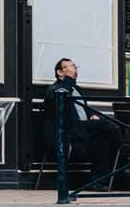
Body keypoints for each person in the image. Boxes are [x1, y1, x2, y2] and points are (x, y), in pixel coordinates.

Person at [34, 56, 117, 195]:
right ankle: (126, 154)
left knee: (102, 142)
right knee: (106, 125)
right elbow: (61, 108)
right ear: (60, 72)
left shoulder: (75, 88)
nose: (75, 69)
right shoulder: (55, 89)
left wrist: (91, 115)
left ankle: (98, 182)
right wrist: (68, 80)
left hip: (83, 129)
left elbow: (84, 106)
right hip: (70, 132)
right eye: (71, 67)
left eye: (75, 66)